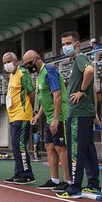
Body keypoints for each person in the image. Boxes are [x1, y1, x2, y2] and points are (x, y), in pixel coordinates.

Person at [57, 31, 101, 198]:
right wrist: (94, 111)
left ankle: (75, 187)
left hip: (78, 113)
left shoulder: (81, 58)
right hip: (85, 112)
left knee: (75, 150)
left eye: (68, 43)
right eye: (63, 44)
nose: (65, 47)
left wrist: (81, 91)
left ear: (77, 44)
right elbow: (93, 89)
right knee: (88, 149)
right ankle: (93, 184)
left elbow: (90, 71)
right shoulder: (77, 61)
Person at [24, 50, 71, 191]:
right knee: (49, 147)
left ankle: (68, 180)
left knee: (60, 147)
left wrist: (56, 119)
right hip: (50, 117)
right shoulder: (39, 76)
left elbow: (56, 95)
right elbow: (46, 99)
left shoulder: (49, 71)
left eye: (30, 63)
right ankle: (54, 179)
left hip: (60, 116)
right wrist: (38, 116)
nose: (28, 66)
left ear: (38, 59)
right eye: (26, 64)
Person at [1, 52, 35, 184]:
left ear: (15, 61)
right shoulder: (11, 75)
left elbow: (31, 93)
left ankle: (27, 174)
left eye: (8, 61)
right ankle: (18, 172)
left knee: (20, 144)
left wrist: (31, 110)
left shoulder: (22, 73)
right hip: (13, 116)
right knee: (15, 145)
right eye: (4, 63)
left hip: (22, 114)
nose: (6, 65)